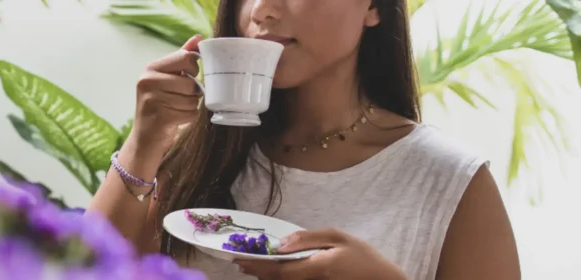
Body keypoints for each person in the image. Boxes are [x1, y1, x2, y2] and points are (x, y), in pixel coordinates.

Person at [86, 0, 520, 279]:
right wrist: (142, 146)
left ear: (373, 7)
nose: (262, 10)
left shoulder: (450, 183)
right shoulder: (199, 155)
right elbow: (74, 268)